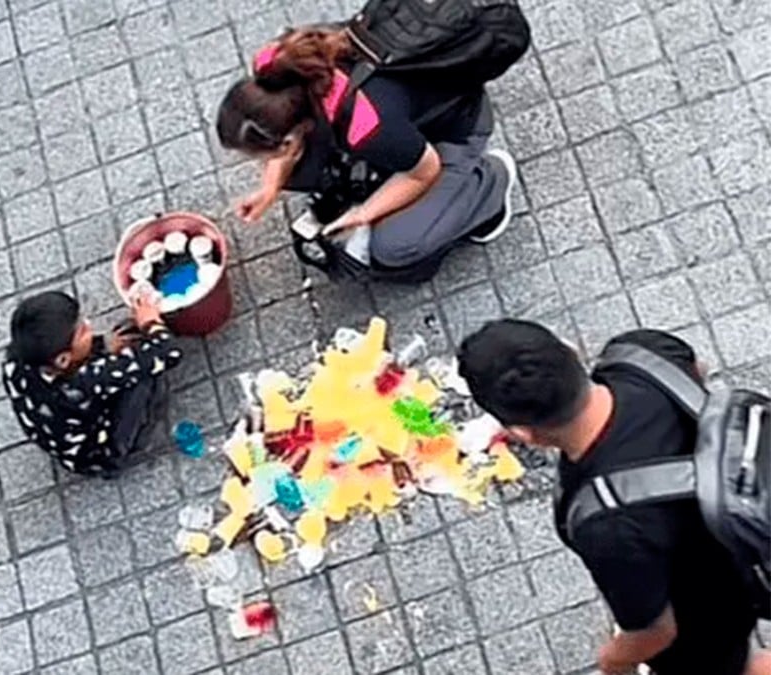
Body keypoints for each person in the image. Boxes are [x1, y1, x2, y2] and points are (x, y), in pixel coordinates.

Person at [456, 319, 770, 675]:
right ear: (571, 350)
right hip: (742, 532)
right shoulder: (642, 352)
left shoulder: (606, 524)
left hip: (708, 613)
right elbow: (697, 371)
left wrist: (614, 661)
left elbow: (655, 632)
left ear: (523, 434)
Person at [216, 27, 518, 282]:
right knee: (305, 172)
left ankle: (489, 184)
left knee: (394, 247)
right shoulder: (274, 65)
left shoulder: (367, 128)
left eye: (262, 157)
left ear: (289, 139)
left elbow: (424, 171)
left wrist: (363, 214)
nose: (263, 165)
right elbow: (286, 143)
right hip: (405, 116)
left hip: (454, 128)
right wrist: (270, 187)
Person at [2, 290, 183, 476]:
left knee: (125, 339)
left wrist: (102, 344)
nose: (89, 325)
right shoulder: (83, 384)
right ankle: (125, 451)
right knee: (142, 377)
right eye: (82, 332)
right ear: (63, 360)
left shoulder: (15, 363)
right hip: (98, 452)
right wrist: (150, 321)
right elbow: (170, 351)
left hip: (62, 432)